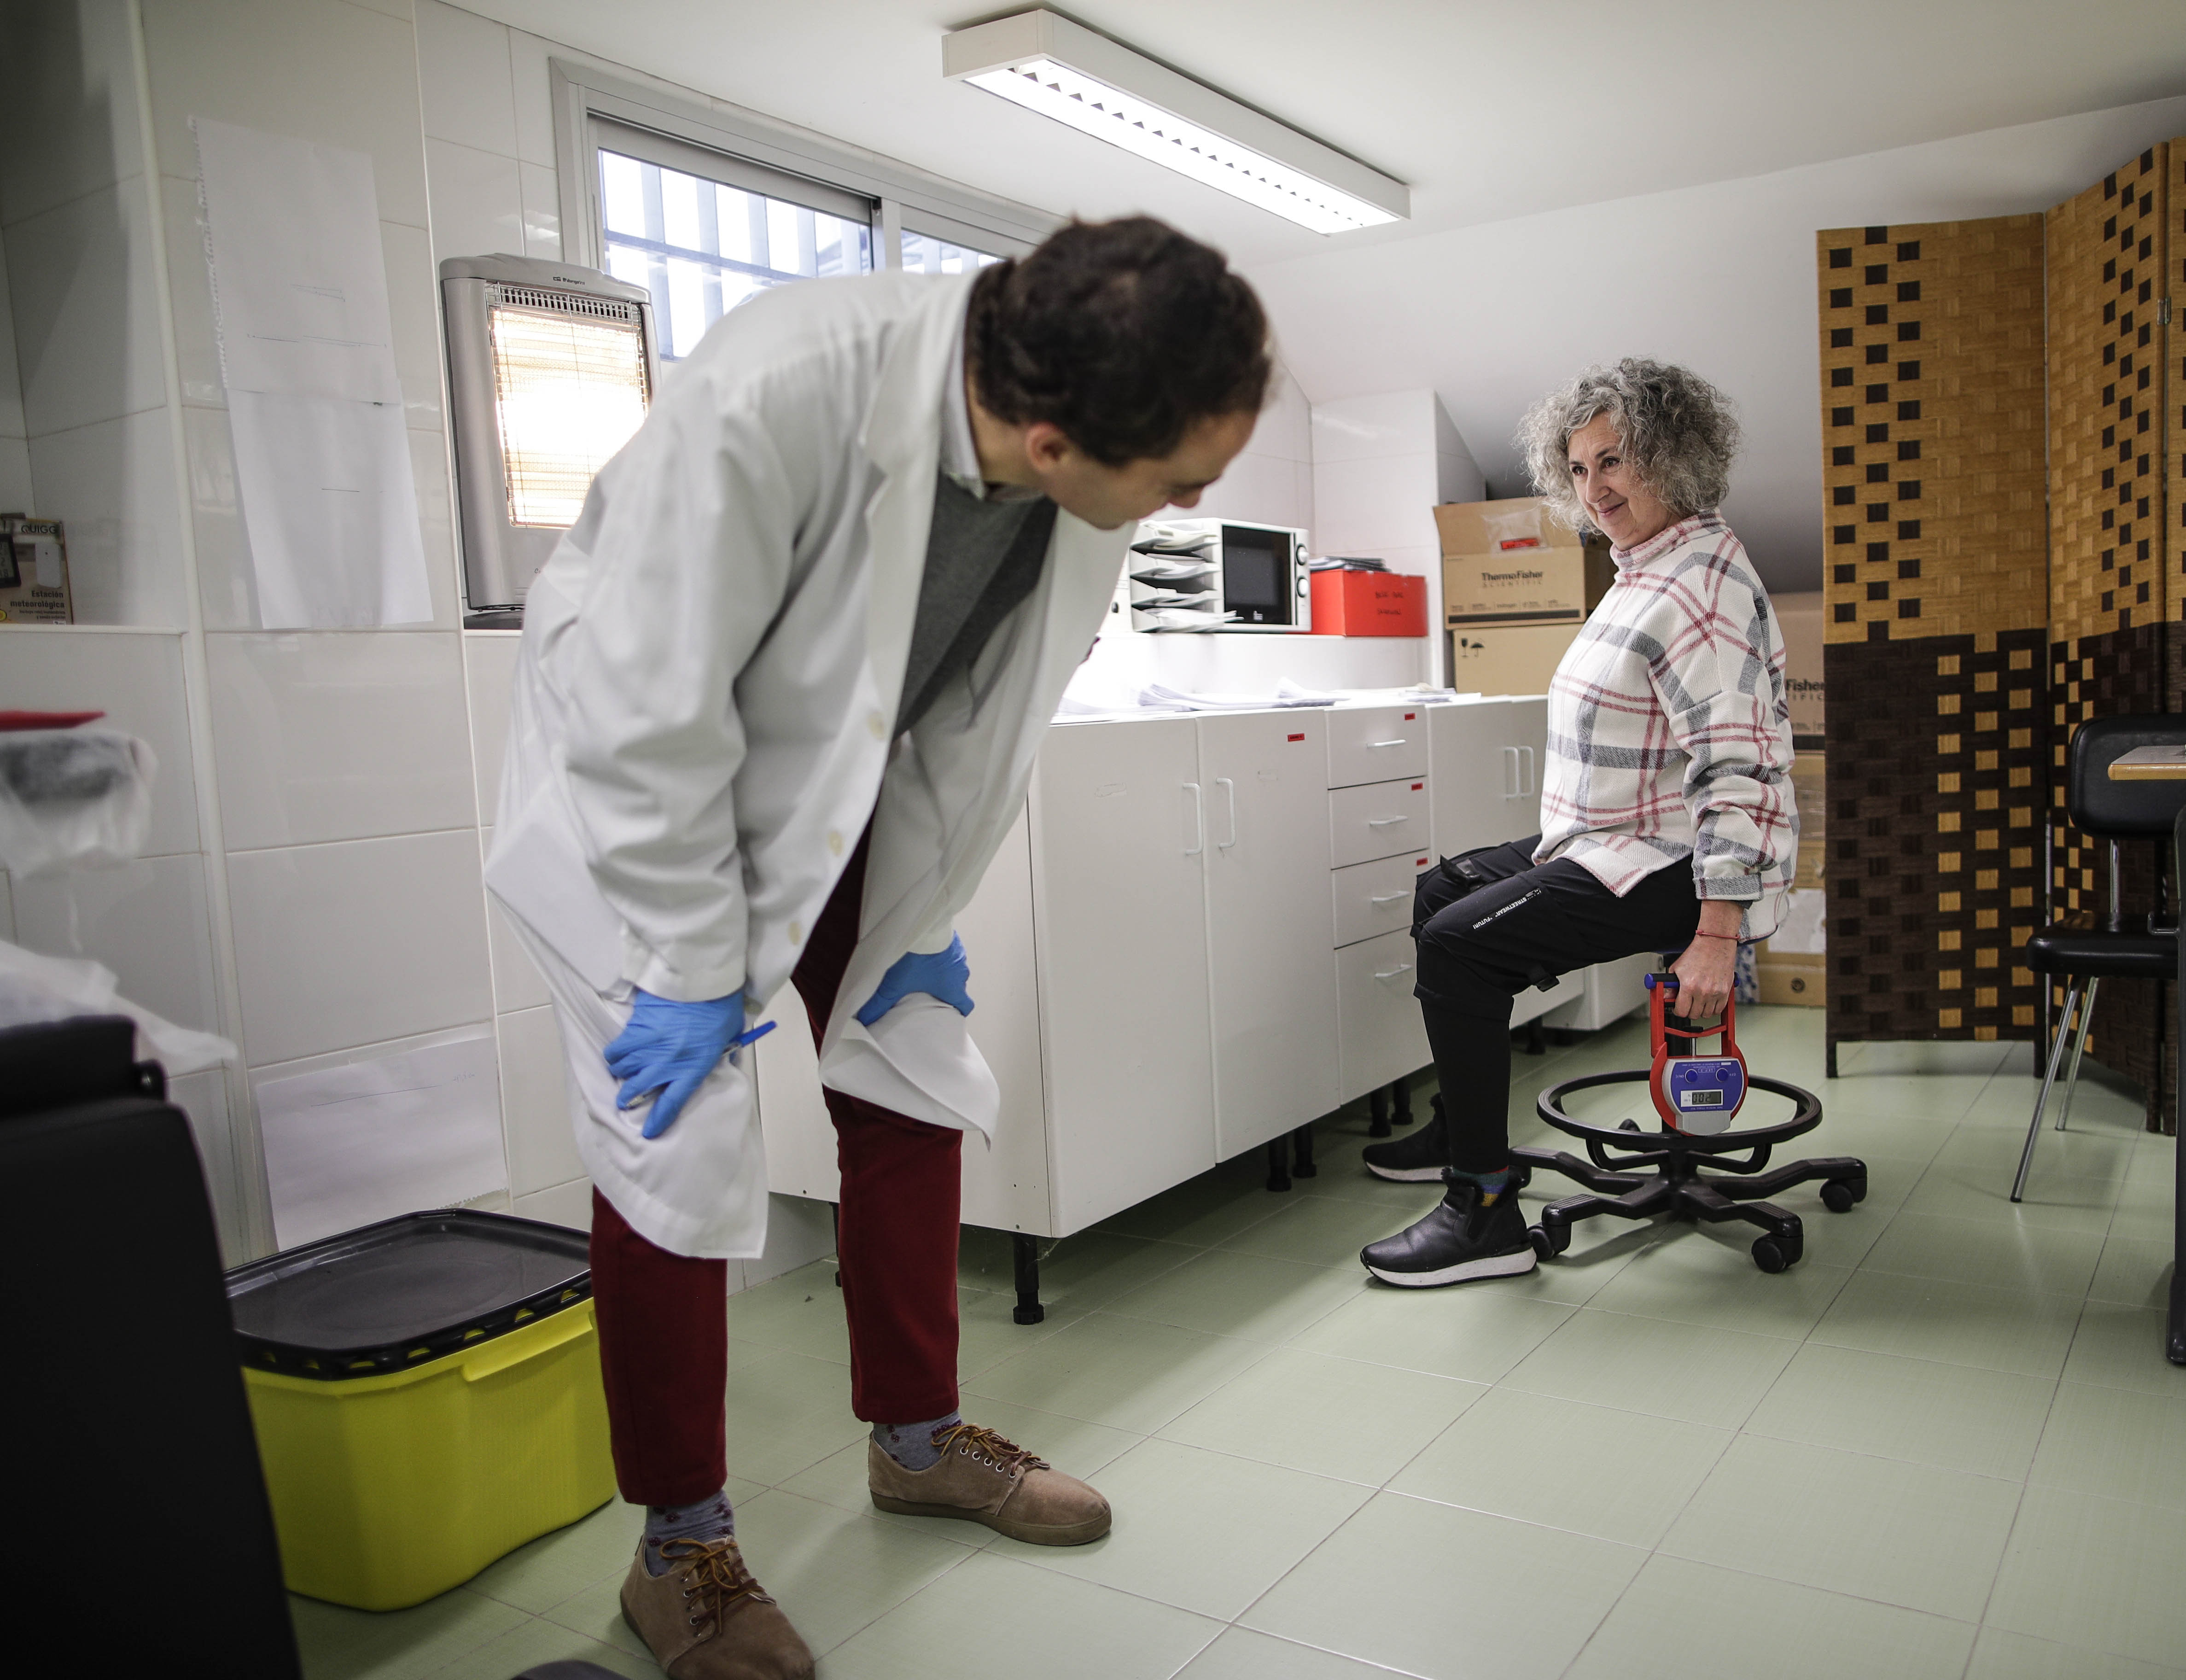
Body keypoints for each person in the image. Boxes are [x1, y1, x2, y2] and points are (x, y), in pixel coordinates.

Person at [485, 217, 1269, 1679]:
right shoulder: (779, 393)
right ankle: (682, 1550)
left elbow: (974, 717)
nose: (1191, 503)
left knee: (904, 1069)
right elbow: (644, 709)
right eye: (1180, 480)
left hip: (833, 780)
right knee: (672, 1132)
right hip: (638, 794)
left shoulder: (1072, 482)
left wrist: (919, 915)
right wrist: (694, 963)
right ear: (1051, 441)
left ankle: (915, 1443)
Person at [1355, 357, 1798, 1286]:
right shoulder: (1648, 568)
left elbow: (1741, 766)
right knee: (1445, 887)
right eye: (1580, 468)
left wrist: (1719, 930)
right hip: (1611, 839)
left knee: (1458, 944)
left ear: (1673, 460)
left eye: (1616, 463)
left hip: (1674, 863)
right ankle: (1465, 1131)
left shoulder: (1699, 590)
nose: (1595, 490)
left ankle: (1483, 1212)